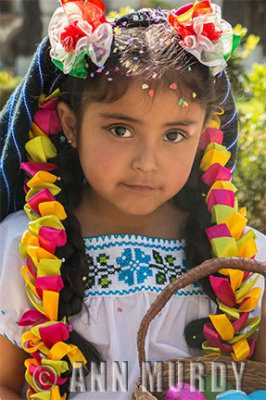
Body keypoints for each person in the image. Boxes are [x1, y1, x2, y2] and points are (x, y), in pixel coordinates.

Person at [0, 1, 265, 399]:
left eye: (174, 135)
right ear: (72, 125)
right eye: (121, 130)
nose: (146, 163)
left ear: (203, 137)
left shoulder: (247, 265)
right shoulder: (21, 248)